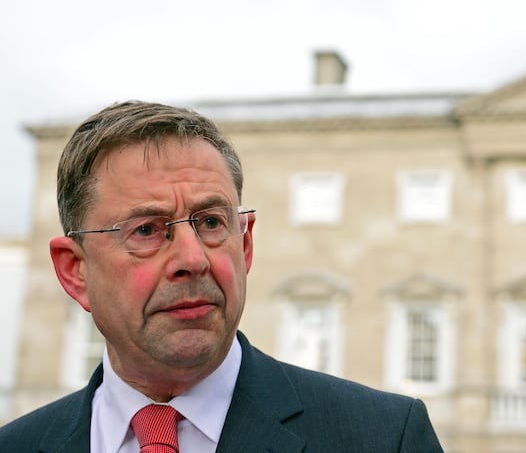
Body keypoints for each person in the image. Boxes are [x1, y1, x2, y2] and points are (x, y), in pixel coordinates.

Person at [0, 100, 444, 452]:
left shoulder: (384, 438)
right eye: (147, 230)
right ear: (75, 271)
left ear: (245, 243)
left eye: (210, 222)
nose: (193, 259)